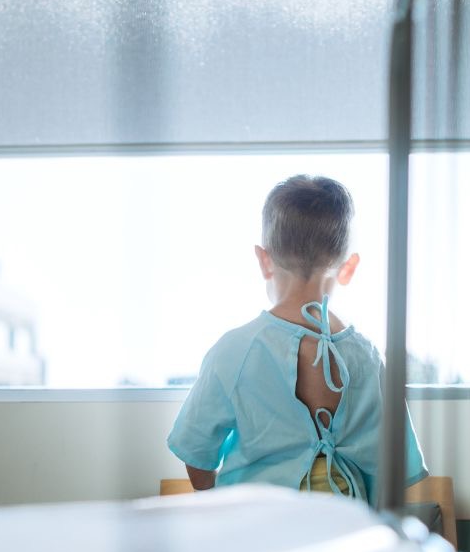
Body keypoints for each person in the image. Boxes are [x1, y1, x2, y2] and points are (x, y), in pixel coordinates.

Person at [167, 174, 427, 505]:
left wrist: (218, 499)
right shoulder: (368, 355)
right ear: (348, 268)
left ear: (264, 260)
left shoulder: (234, 351)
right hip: (346, 526)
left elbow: (197, 453)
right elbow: (398, 464)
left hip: (259, 527)